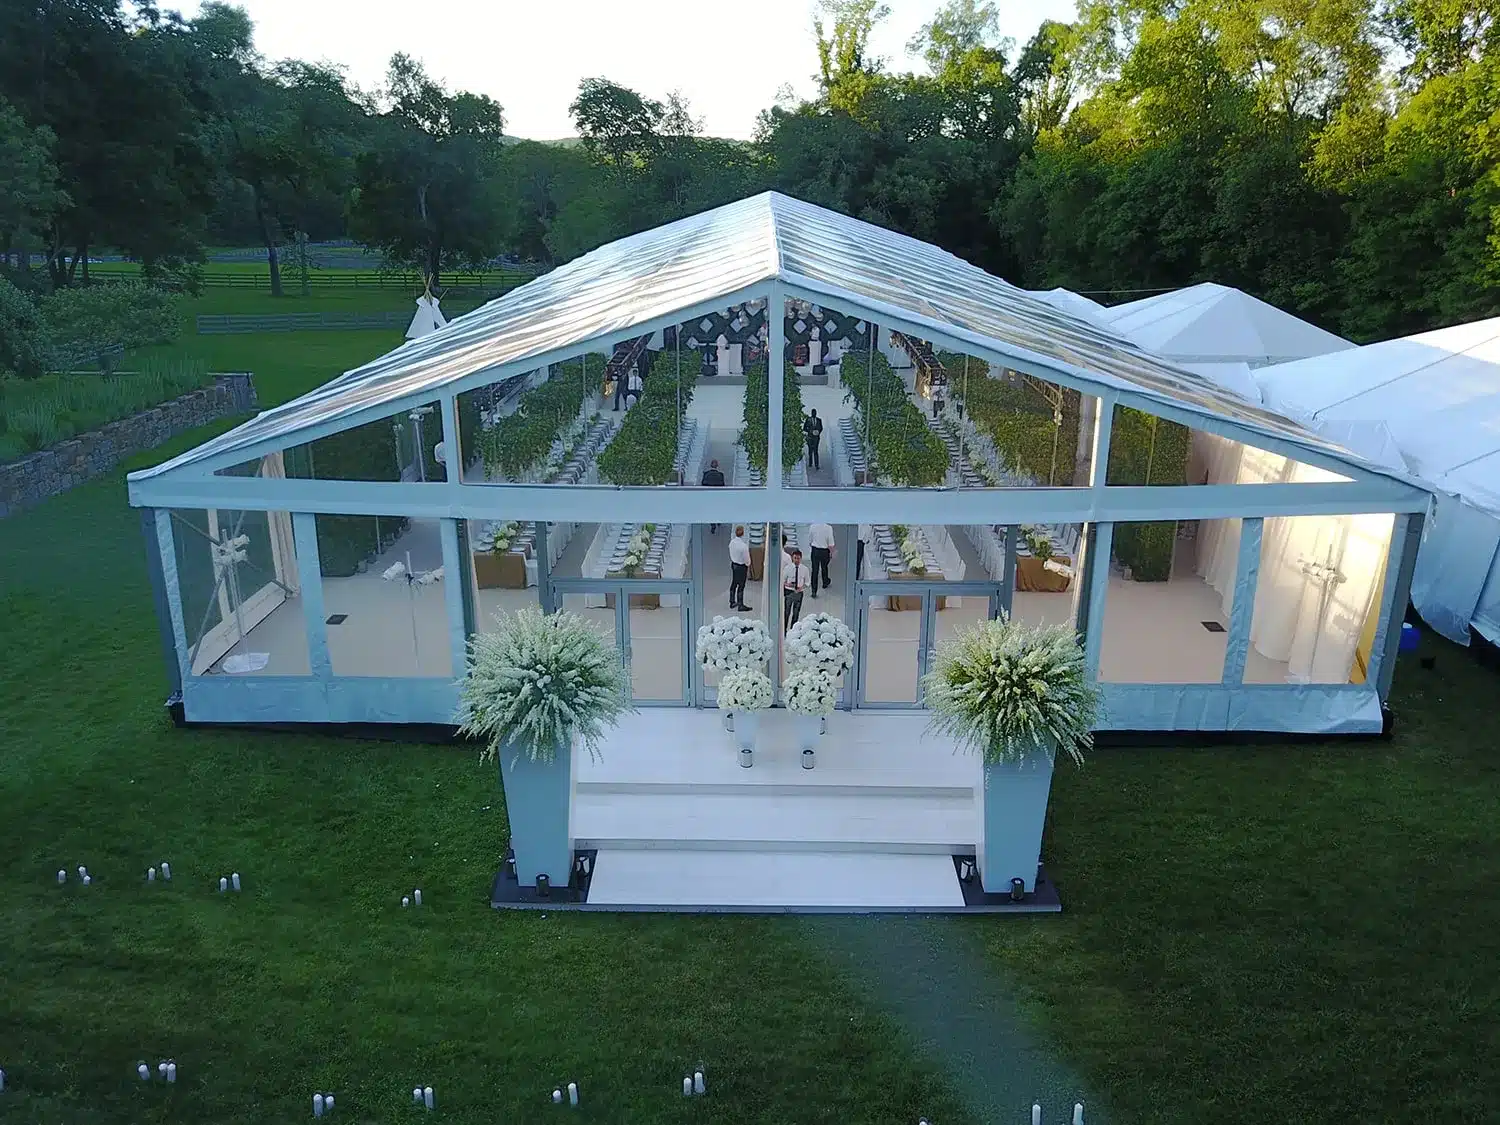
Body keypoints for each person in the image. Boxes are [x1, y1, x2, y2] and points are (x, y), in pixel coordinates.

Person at [783, 547, 809, 631]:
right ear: (792, 558)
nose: (796, 560)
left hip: (799, 592)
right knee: (786, 612)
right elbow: (782, 581)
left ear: (801, 558)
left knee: (796, 612)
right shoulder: (787, 568)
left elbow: (807, 582)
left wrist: (801, 588)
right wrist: (788, 584)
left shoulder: (805, 569)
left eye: (798, 558)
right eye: (795, 558)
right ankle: (784, 629)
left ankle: (793, 630)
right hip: (789, 592)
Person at [808, 520, 835, 597]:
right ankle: (825, 582)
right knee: (824, 567)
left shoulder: (812, 526)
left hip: (815, 550)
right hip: (824, 551)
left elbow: (810, 540)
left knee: (815, 570)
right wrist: (831, 553)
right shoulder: (829, 528)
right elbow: (831, 543)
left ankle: (814, 590)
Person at [728, 526, 751, 611]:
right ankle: (740, 604)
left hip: (734, 564)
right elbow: (747, 559)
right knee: (741, 585)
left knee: (734, 583)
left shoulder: (732, 543)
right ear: (743, 534)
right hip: (741, 567)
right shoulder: (743, 546)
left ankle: (732, 601)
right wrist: (748, 564)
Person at [701, 459, 725, 532]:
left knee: (711, 510)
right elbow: (723, 485)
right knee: (718, 509)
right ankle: (719, 520)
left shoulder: (706, 474)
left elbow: (703, 484)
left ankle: (713, 524)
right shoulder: (720, 475)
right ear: (717, 466)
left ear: (710, 465)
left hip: (709, 496)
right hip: (717, 496)